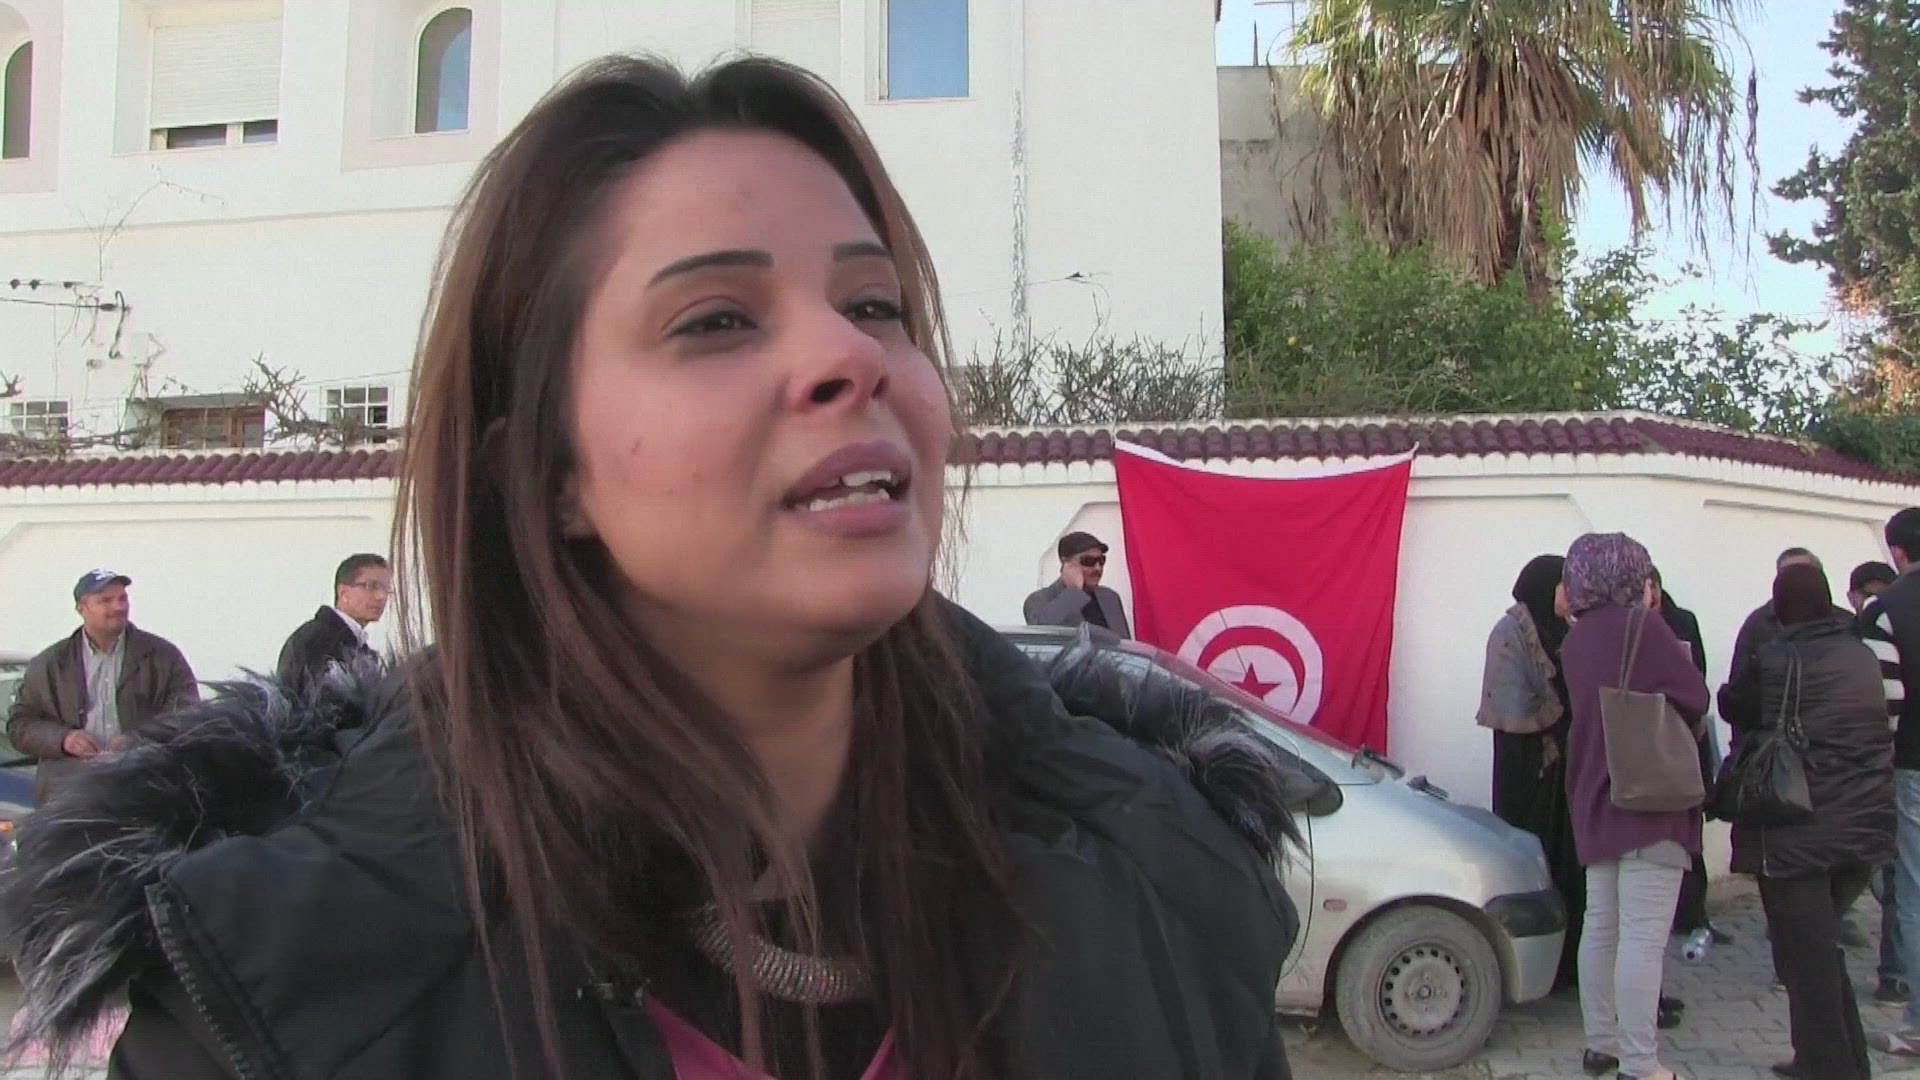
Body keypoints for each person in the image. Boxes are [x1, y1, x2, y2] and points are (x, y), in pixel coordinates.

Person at [0, 57, 1298, 1080]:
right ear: (545, 477)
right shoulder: (282, 987)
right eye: (716, 319)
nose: (850, 357)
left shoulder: (1155, 870)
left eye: (875, 305)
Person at [1719, 562, 1894, 1080]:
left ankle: (1830, 1067)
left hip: (1796, 827)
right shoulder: (1862, 655)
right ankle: (1840, 1060)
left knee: (1806, 959)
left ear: (1780, 606)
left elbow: (1733, 705)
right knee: (1819, 950)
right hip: (1863, 828)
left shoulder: (1776, 657)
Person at [1560, 533, 1711, 1080]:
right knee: (1643, 939)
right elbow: (1695, 696)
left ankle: (1600, 1044)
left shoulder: (1575, 638)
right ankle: (1641, 1062)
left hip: (1595, 795)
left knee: (1600, 927)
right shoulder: (1643, 627)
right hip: (1650, 798)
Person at [1477, 554, 1585, 986]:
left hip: (1565, 774)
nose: (1570, 595)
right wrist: (1557, 720)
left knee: (1567, 865)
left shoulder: (1564, 631)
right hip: (1526, 771)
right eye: (1564, 586)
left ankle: (1568, 963)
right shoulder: (1509, 634)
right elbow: (1511, 706)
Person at [4, 570, 199, 803]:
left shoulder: (163, 656)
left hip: (146, 788)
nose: (119, 607)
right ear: (82, 609)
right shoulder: (50, 663)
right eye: (106, 600)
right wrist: (63, 739)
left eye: (122, 598)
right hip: (68, 796)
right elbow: (20, 725)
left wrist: (137, 740)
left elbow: (188, 716)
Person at [1652, 569, 1730, 950]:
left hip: (1684, 736)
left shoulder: (1681, 621)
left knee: (1689, 834)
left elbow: (1696, 677)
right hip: (1646, 743)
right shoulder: (1626, 627)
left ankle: (1693, 914)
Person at [1867, 507, 1920, 1057]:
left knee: (1914, 889)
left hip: (1911, 764)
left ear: (1897, 552)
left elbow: (1885, 698)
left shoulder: (1887, 609)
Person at [1852, 558, 1908, 1003]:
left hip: (1903, 760)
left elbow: (1886, 696)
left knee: (1904, 875)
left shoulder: (1885, 611)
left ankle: (1899, 976)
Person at [274, 553, 390, 699]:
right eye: (371, 586)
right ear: (343, 593)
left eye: (386, 588)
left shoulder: (358, 646)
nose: (381, 596)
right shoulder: (316, 640)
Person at [1023, 531, 1132, 638]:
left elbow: (1124, 643)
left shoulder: (1110, 597)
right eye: (1088, 561)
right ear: (1066, 564)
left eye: (1101, 560)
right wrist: (1074, 591)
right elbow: (1041, 634)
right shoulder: (1039, 599)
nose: (1097, 568)